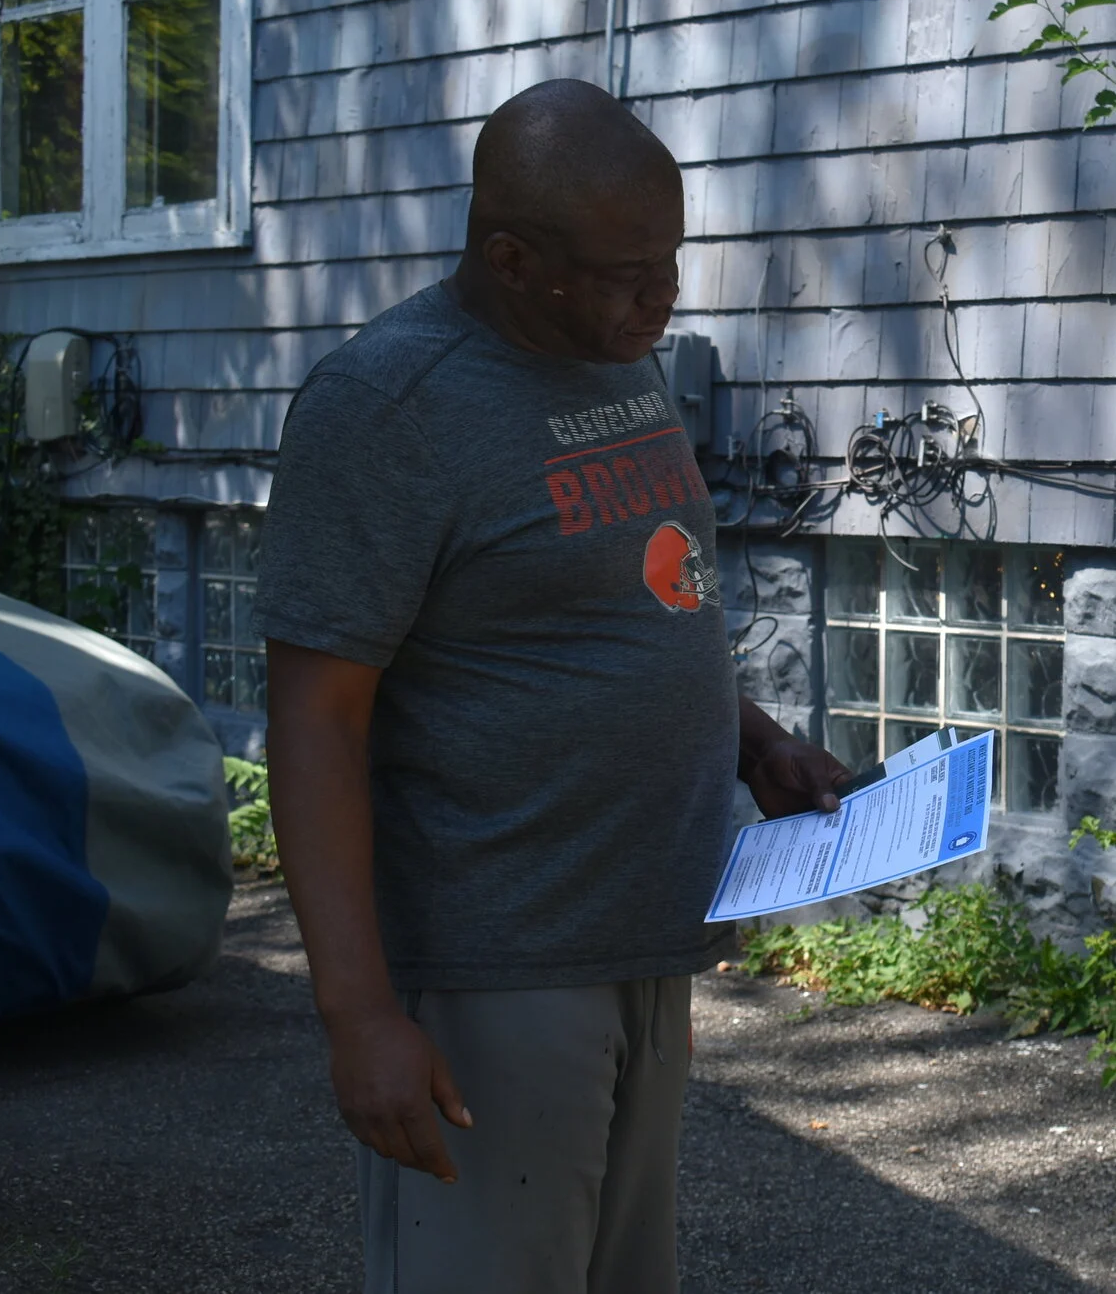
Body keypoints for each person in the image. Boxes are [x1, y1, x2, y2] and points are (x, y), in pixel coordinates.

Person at [258, 80, 851, 1294]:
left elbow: (621, 598)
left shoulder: (613, 358)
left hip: (642, 933)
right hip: (498, 960)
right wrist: (357, 1015)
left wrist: (747, 738)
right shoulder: (388, 408)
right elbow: (315, 720)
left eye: (674, 257)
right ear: (513, 258)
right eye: (631, 269)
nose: (665, 294)